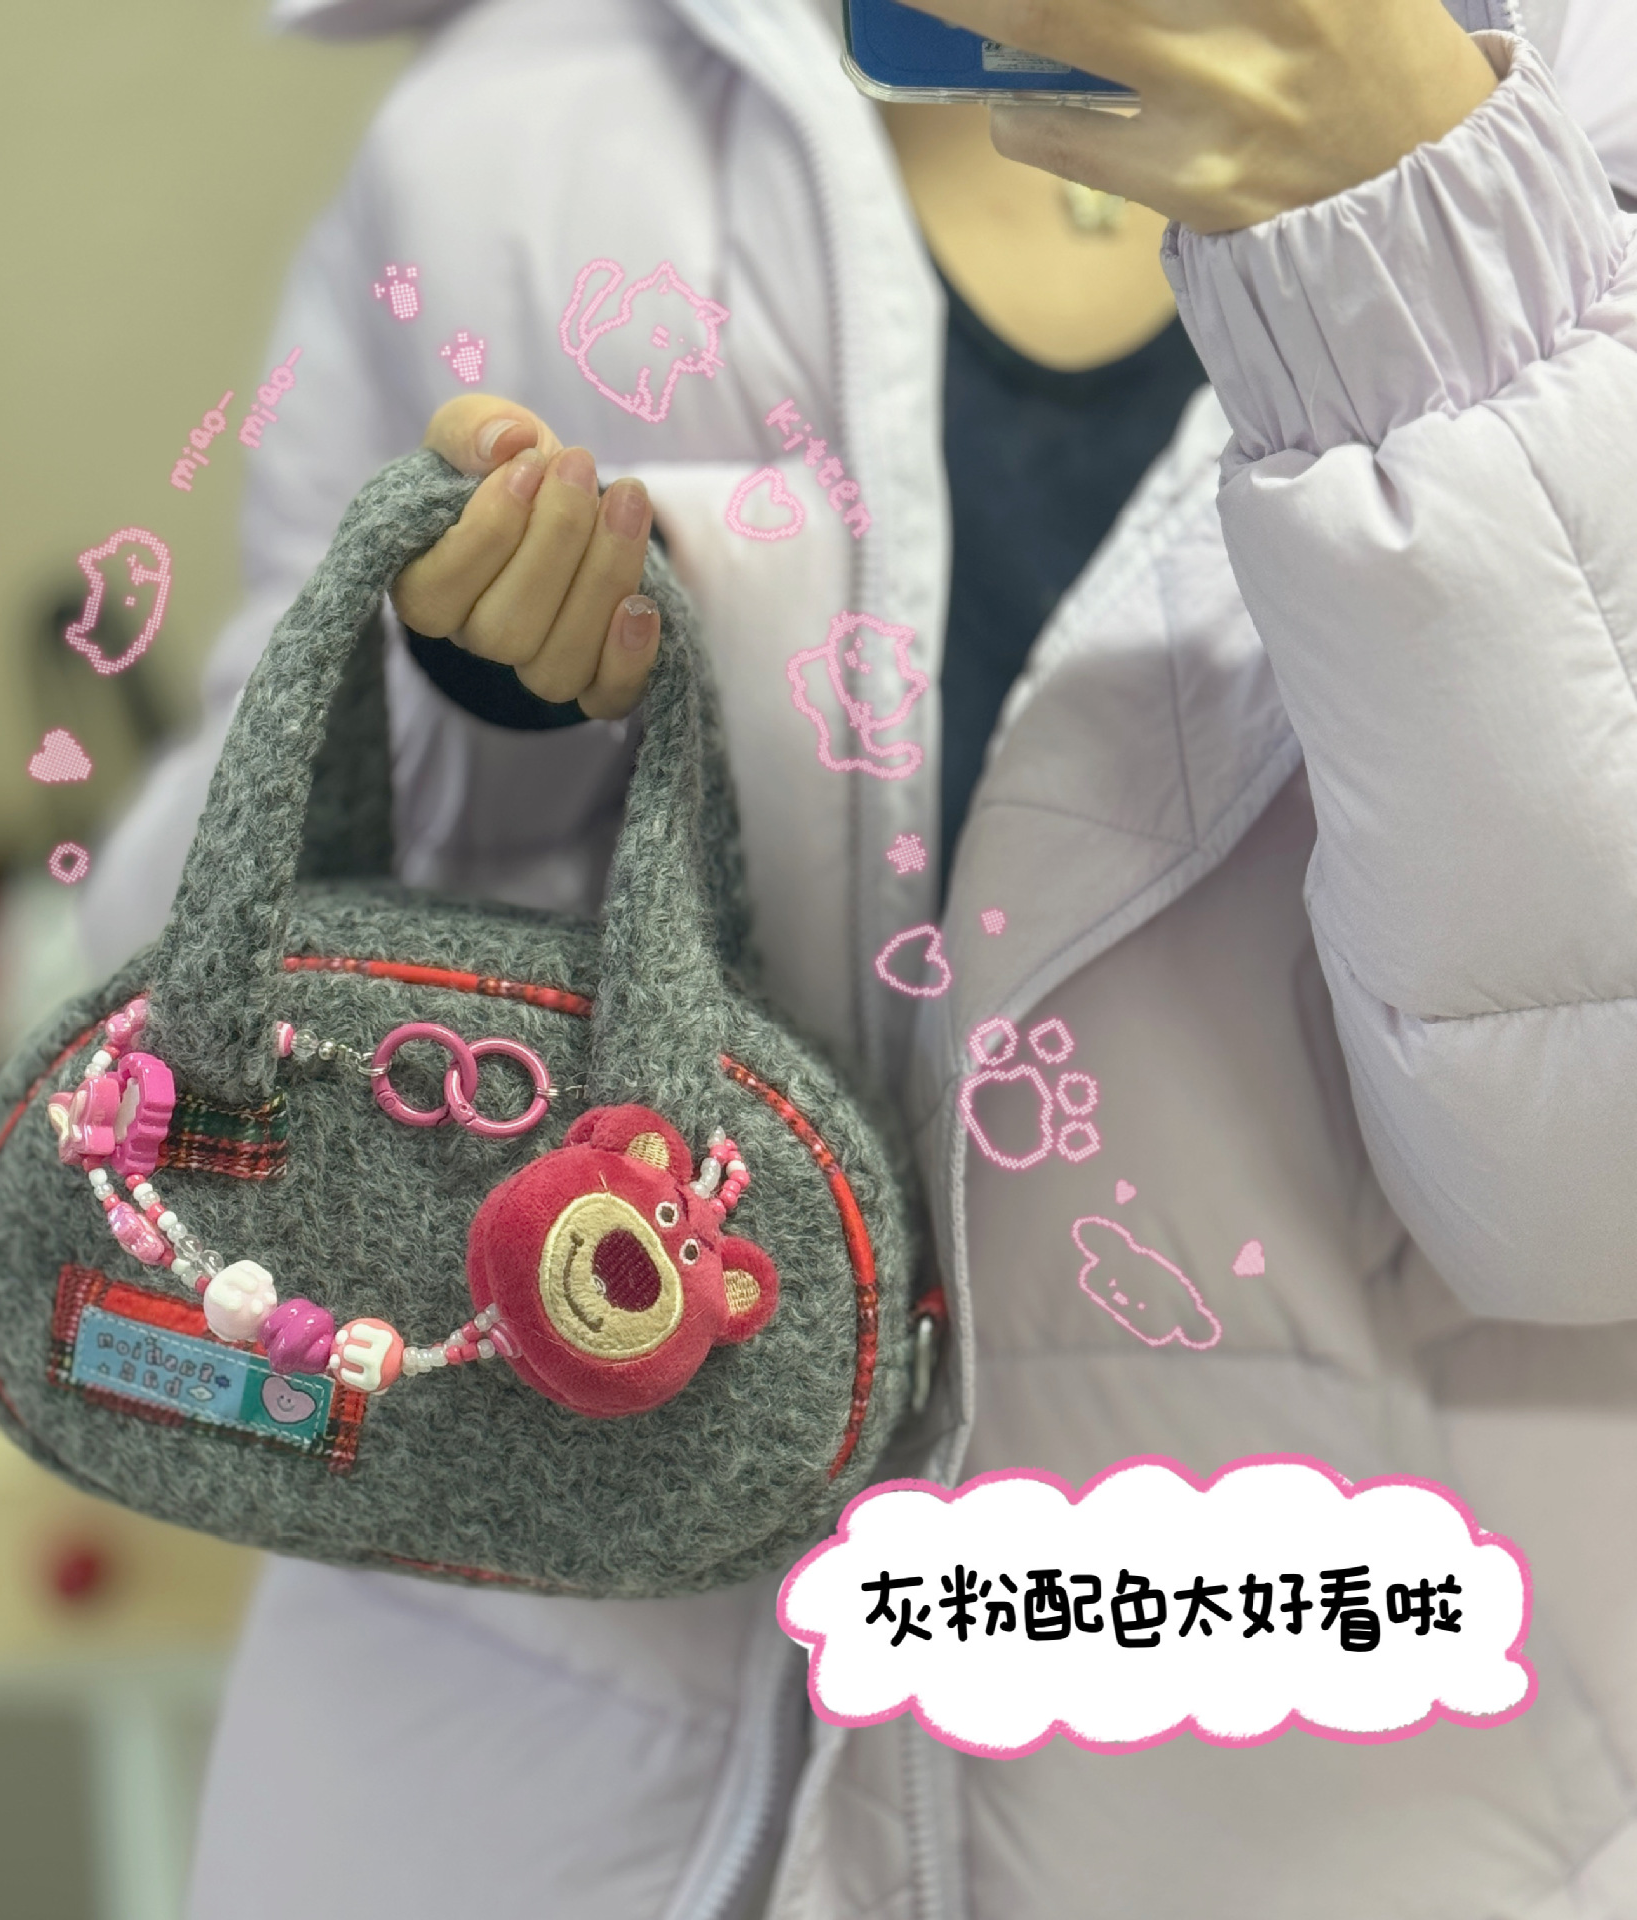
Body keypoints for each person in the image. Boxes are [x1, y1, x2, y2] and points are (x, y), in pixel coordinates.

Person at [79, 0, 1637, 1912]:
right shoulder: (513, 126)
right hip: (520, 1780)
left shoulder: (1589, 112)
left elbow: (1587, 1195)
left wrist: (1433, 270)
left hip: (1349, 1797)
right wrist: (473, 706)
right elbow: (171, 984)